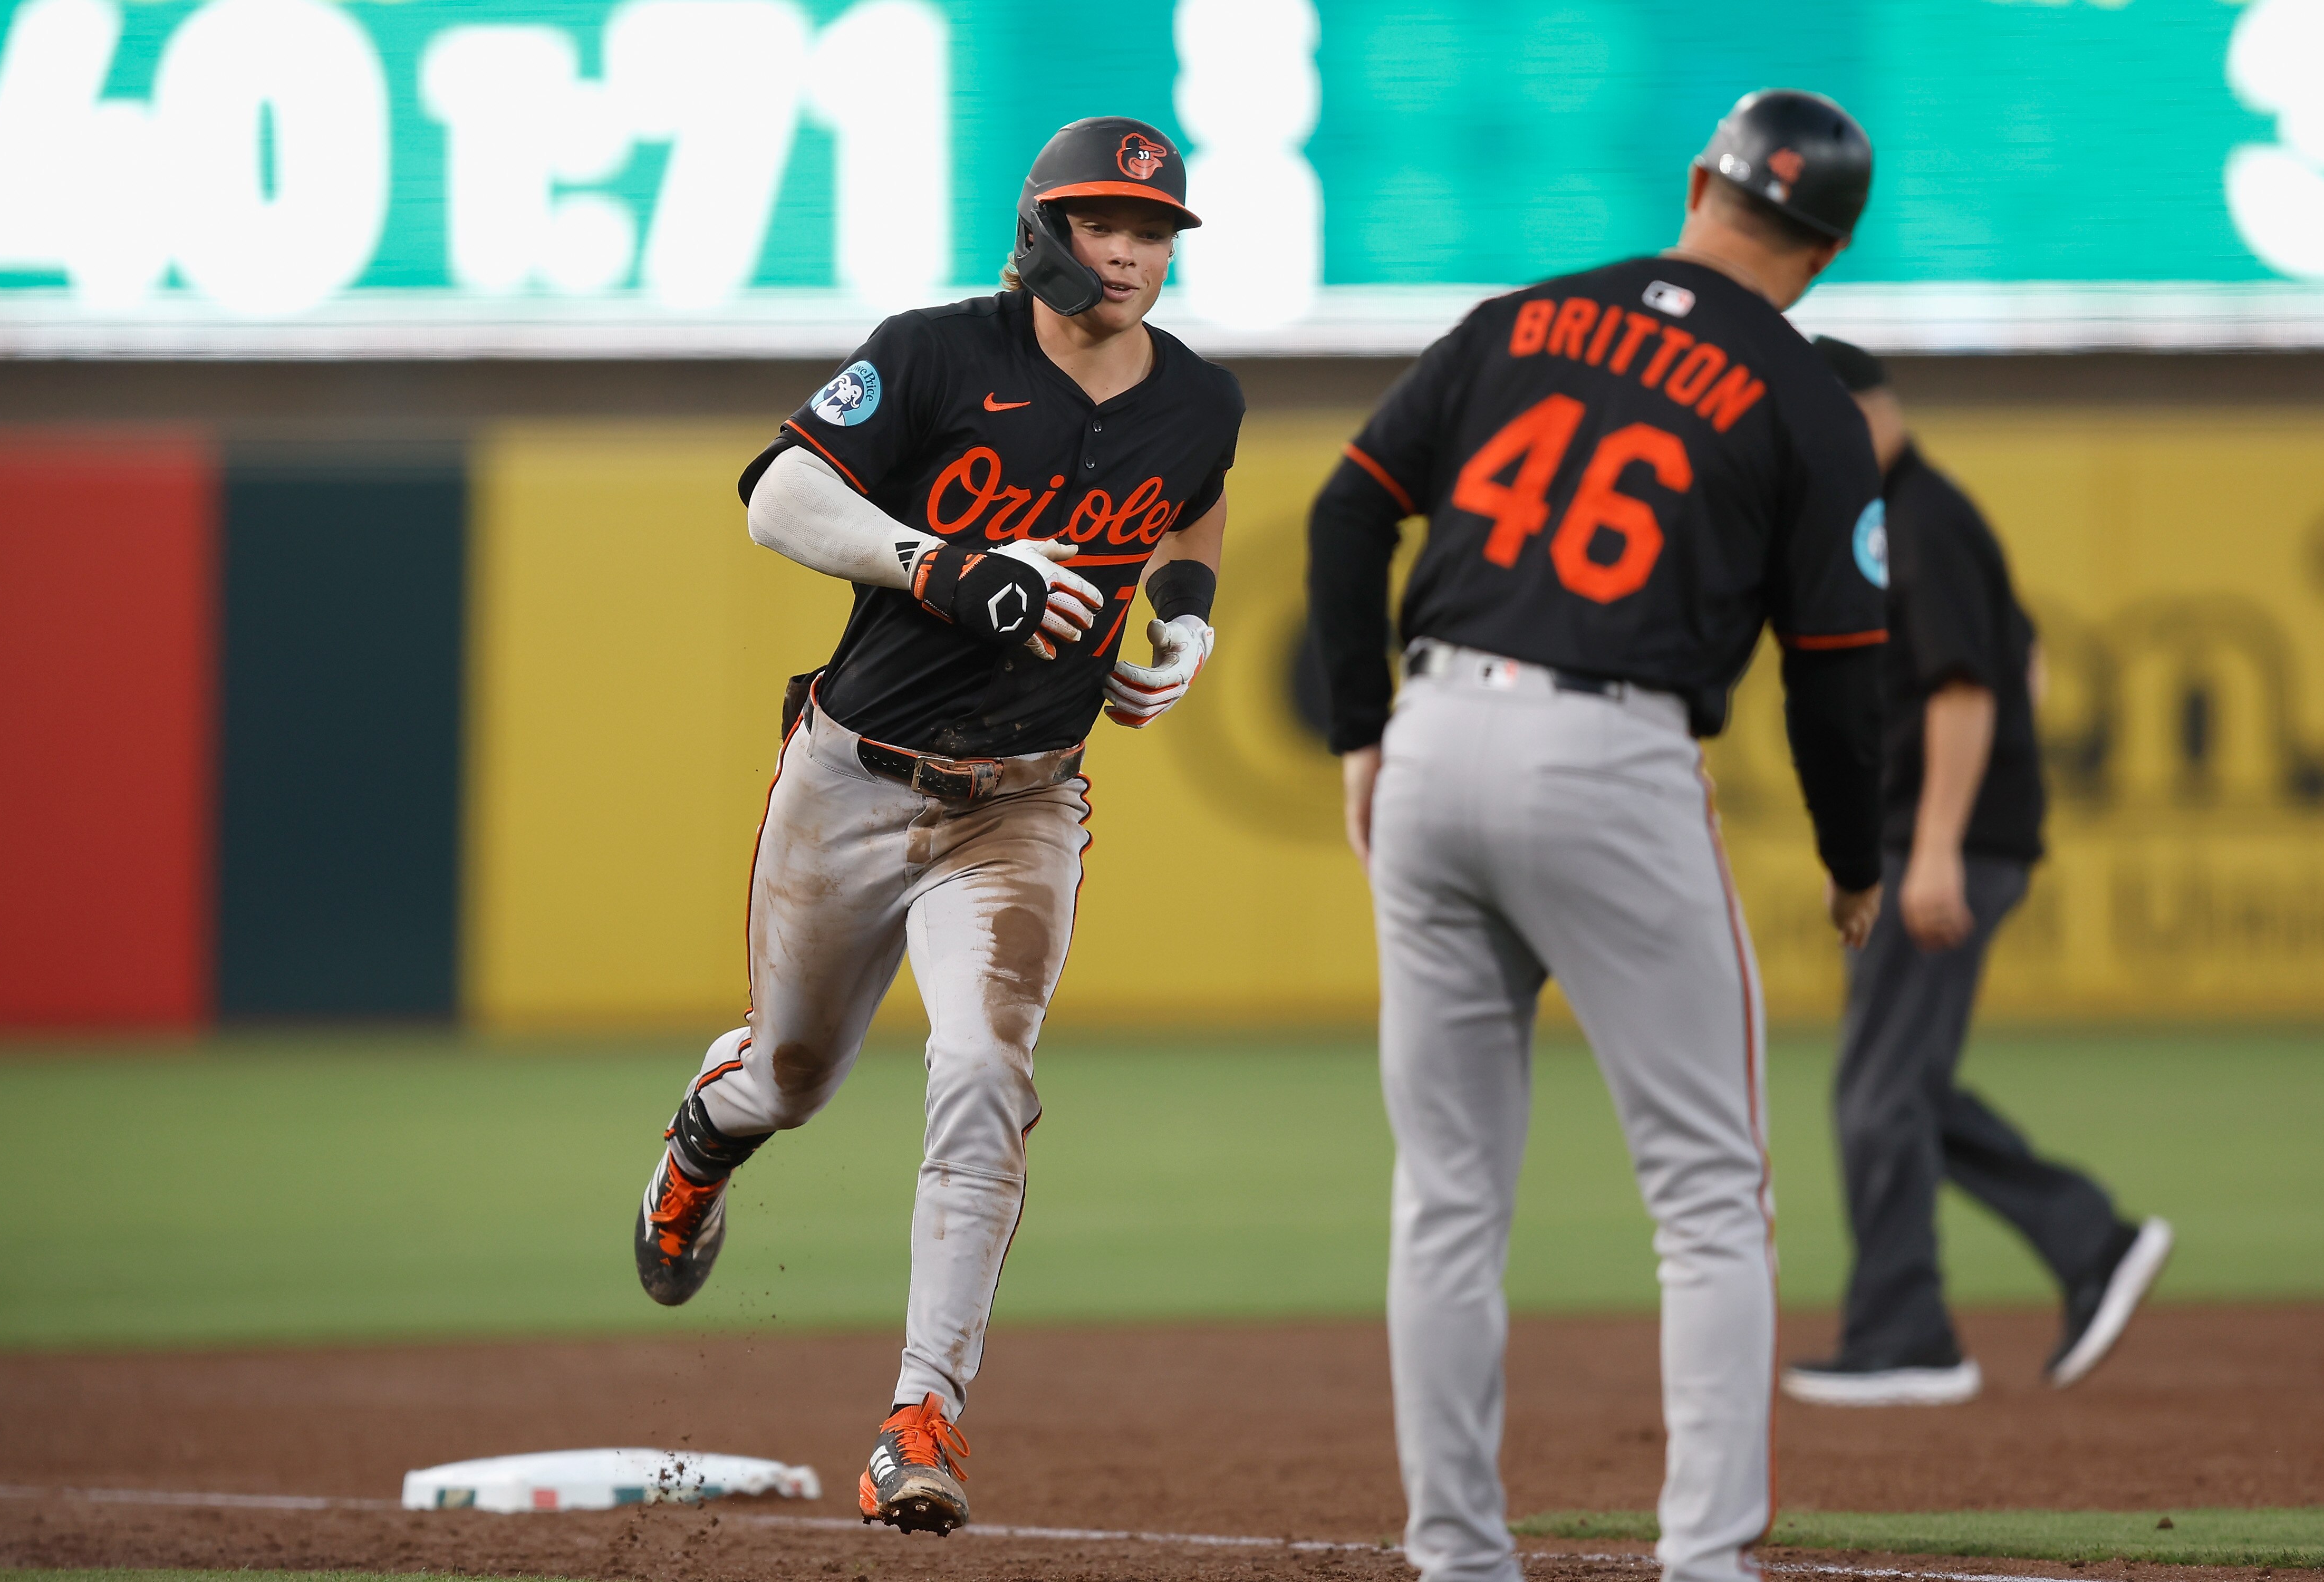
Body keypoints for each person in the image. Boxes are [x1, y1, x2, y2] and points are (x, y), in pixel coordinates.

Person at [628, 116, 1245, 1537]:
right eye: (1106, 225)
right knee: (789, 1077)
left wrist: (1189, 625)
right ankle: (703, 1142)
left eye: (1152, 230)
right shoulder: (932, 351)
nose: (1133, 252)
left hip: (1023, 804)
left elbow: (1192, 507)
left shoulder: (1196, 398)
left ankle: (922, 1416)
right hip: (852, 777)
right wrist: (949, 567)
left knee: (981, 1067)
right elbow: (775, 497)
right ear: (1043, 230)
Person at [1308, 89, 1887, 1582]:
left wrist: (1362, 731)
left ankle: (1454, 1556)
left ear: (1700, 181)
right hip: (1611, 758)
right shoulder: (1802, 394)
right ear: (1825, 252)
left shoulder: (1517, 321)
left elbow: (1343, 514)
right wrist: (1853, 862)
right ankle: (1701, 1562)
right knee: (1706, 1194)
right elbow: (1836, 670)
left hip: (1434, 737)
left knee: (1444, 1192)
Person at [1782, 340, 2171, 1408]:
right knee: (1898, 1088)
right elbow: (2024, 662)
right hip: (1933, 835)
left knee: (1877, 1092)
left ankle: (1907, 1333)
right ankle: (2091, 1239)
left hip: (1944, 845)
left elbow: (1966, 691)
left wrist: (1938, 841)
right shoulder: (1914, 514)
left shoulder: (1917, 518)